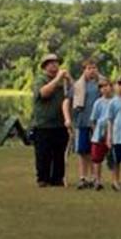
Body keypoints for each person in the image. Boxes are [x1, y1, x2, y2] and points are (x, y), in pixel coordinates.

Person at [29, 53, 70, 187]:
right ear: (45, 66)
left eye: (56, 62)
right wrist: (58, 78)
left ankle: (57, 178)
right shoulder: (40, 79)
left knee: (59, 154)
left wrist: (69, 80)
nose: (54, 65)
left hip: (60, 123)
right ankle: (43, 179)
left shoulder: (63, 81)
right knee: (43, 154)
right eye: (51, 63)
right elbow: (43, 93)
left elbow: (74, 94)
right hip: (43, 124)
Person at [69, 59, 102, 189]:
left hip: (96, 123)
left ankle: (95, 177)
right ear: (84, 70)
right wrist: (69, 119)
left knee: (94, 151)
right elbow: (68, 100)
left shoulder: (100, 84)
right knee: (82, 151)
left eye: (94, 68)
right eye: (89, 68)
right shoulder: (78, 85)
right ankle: (83, 177)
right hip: (81, 121)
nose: (92, 70)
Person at [87, 83, 113, 191]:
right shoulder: (98, 102)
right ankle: (97, 180)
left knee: (113, 158)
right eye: (102, 87)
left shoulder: (115, 101)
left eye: (107, 86)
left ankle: (115, 180)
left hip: (112, 133)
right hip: (99, 134)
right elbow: (93, 119)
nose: (105, 89)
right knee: (97, 158)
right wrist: (96, 132)